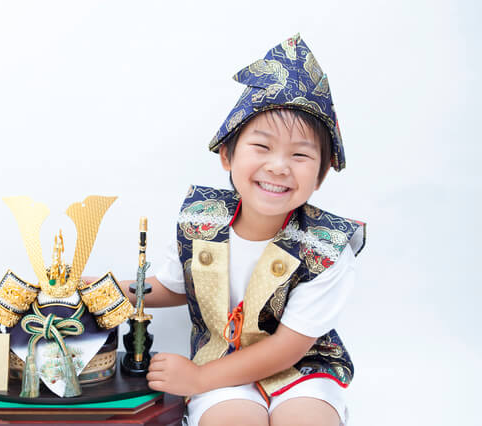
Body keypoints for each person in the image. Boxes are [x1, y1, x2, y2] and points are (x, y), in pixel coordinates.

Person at [94, 33, 366, 426]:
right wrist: (104, 291)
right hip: (220, 362)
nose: (278, 166)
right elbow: (174, 286)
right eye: (262, 147)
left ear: (321, 175)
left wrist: (197, 379)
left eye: (300, 155)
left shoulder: (326, 247)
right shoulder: (202, 221)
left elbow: (289, 347)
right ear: (227, 154)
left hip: (301, 369)